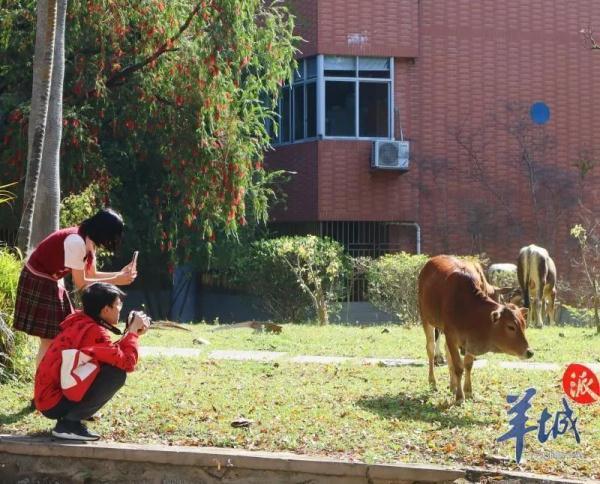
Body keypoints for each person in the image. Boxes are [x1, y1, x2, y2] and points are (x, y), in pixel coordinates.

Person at [13, 208, 137, 367]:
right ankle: (42, 384)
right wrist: (117, 279)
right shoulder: (76, 242)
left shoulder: (88, 241)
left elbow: (90, 274)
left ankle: (48, 381)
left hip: (50, 280)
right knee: (49, 340)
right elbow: (82, 284)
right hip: (39, 281)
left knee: (59, 336)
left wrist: (118, 275)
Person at [34, 282, 150, 441]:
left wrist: (130, 333)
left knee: (109, 366)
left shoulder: (81, 320)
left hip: (47, 397)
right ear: (106, 309)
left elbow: (110, 353)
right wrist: (132, 335)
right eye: (118, 304)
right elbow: (127, 363)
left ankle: (71, 419)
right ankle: (69, 425)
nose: (120, 308)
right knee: (116, 374)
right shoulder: (93, 331)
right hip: (53, 401)